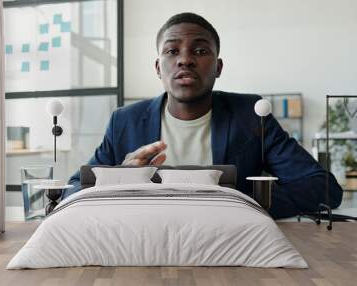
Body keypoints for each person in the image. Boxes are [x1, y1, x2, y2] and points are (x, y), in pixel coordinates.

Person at [65, 12, 343, 218]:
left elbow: (324, 188)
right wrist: (118, 180)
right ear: (158, 68)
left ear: (218, 67)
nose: (185, 59)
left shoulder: (251, 116)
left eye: (200, 50)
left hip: (231, 248)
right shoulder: (124, 121)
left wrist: (233, 202)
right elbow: (73, 190)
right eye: (172, 51)